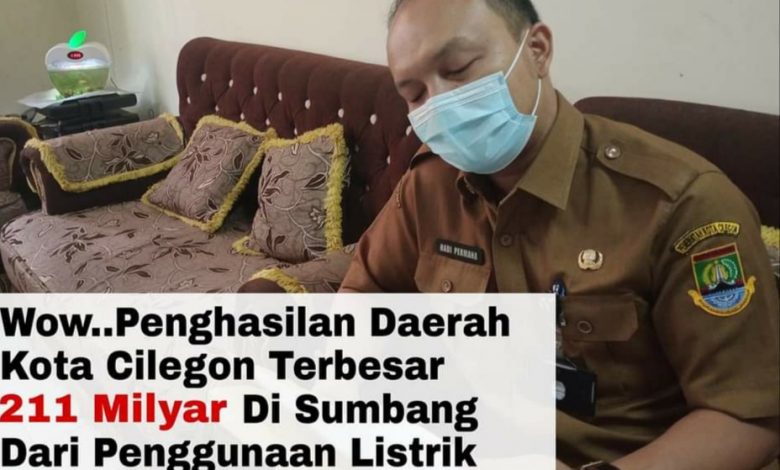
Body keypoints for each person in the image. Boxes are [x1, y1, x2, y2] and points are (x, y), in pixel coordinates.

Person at [339, 0, 780, 468]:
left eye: (458, 68)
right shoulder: (431, 185)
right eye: (414, 95)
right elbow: (367, 293)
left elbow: (744, 418)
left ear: (537, 50)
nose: (441, 104)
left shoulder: (680, 205)